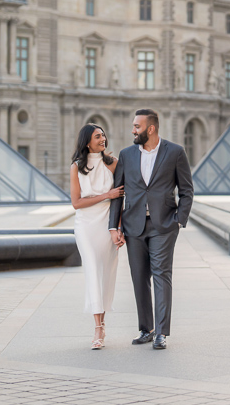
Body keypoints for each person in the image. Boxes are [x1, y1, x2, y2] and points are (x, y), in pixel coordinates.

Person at [109, 108, 194, 350]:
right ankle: (146, 329)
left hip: (163, 226)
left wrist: (179, 218)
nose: (133, 130)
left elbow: (187, 190)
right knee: (139, 278)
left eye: (137, 126)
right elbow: (119, 194)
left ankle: (161, 333)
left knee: (161, 276)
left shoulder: (175, 152)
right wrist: (113, 226)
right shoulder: (126, 155)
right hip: (133, 225)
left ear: (151, 128)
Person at [69, 123, 124, 350]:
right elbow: (76, 202)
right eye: (97, 136)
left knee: (105, 274)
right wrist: (106, 195)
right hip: (85, 226)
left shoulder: (113, 164)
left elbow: (120, 200)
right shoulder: (76, 167)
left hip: (106, 225)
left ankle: (102, 322)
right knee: (92, 270)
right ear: (87, 141)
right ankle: (98, 328)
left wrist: (118, 228)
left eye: (103, 135)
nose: (103, 139)